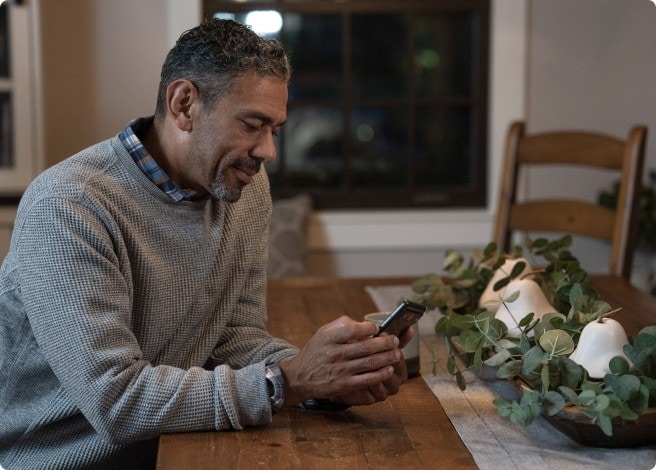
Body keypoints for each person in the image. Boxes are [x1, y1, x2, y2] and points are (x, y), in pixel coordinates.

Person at [0, 19, 412, 469]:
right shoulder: (70, 206)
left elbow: (235, 338)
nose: (268, 151)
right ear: (184, 105)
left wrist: (330, 381)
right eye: (252, 124)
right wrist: (290, 382)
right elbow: (115, 401)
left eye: (275, 129)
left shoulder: (244, 190)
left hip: (171, 446)